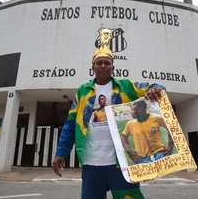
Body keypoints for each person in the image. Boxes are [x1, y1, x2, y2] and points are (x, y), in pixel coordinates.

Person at [53, 46, 165, 199]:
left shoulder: (126, 86)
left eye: (107, 62)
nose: (103, 65)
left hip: (122, 164)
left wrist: (156, 89)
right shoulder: (82, 91)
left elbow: (154, 87)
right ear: (93, 67)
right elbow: (70, 124)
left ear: (113, 67)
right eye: (99, 63)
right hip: (91, 164)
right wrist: (61, 152)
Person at [121, 99, 173, 164]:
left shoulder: (156, 118)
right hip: (141, 159)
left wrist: (170, 147)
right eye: (132, 109)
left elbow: (171, 128)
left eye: (134, 109)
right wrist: (129, 151)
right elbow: (123, 136)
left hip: (160, 154)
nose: (132, 112)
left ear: (142, 109)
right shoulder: (130, 124)